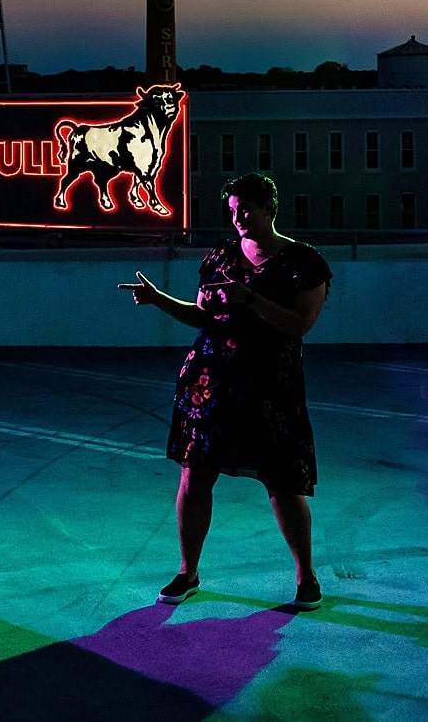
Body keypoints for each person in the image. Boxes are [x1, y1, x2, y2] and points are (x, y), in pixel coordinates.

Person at [118, 172, 332, 611]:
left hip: (272, 387)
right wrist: (159, 299)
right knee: (195, 473)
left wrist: (249, 298)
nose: (238, 219)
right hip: (210, 382)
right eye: (232, 211)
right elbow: (202, 316)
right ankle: (187, 571)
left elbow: (300, 325)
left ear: (270, 208)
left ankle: (306, 575)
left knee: (283, 481)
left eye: (246, 210)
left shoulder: (303, 262)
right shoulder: (219, 258)